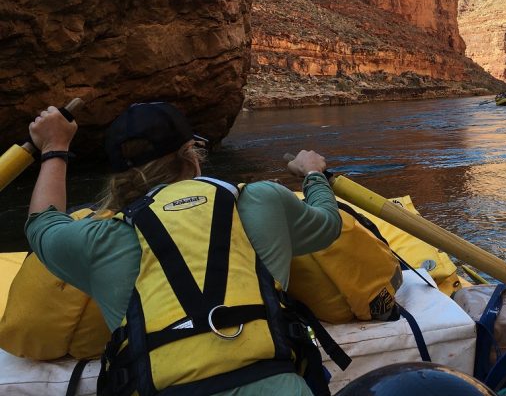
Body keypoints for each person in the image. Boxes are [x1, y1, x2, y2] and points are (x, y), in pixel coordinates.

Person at [25, 102, 343, 395]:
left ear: (118, 176)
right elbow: (328, 225)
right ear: (191, 154)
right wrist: (312, 173)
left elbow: (41, 223)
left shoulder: (100, 238)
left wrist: (55, 147)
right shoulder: (261, 199)